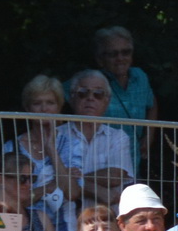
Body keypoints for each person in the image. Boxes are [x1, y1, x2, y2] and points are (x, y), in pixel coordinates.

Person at [2, 75, 70, 231]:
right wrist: (50, 186)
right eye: (37, 103)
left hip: (65, 229)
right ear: (27, 108)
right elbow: (12, 198)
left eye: (50, 102)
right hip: (24, 228)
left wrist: (51, 150)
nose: (44, 108)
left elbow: (72, 192)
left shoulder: (71, 143)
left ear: (59, 107)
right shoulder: (12, 147)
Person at [57, 71, 135, 209]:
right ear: (72, 97)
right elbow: (49, 179)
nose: (90, 98)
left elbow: (116, 176)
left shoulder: (118, 137)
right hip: (63, 222)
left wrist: (70, 179)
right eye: (83, 93)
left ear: (107, 100)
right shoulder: (57, 135)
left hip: (105, 225)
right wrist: (96, 189)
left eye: (98, 94)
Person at [92, 25, 157, 162]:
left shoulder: (140, 77)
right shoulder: (91, 81)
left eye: (125, 52)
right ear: (100, 59)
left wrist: (148, 136)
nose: (120, 58)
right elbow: (57, 96)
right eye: (113, 54)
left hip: (134, 160)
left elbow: (152, 103)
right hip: (100, 162)